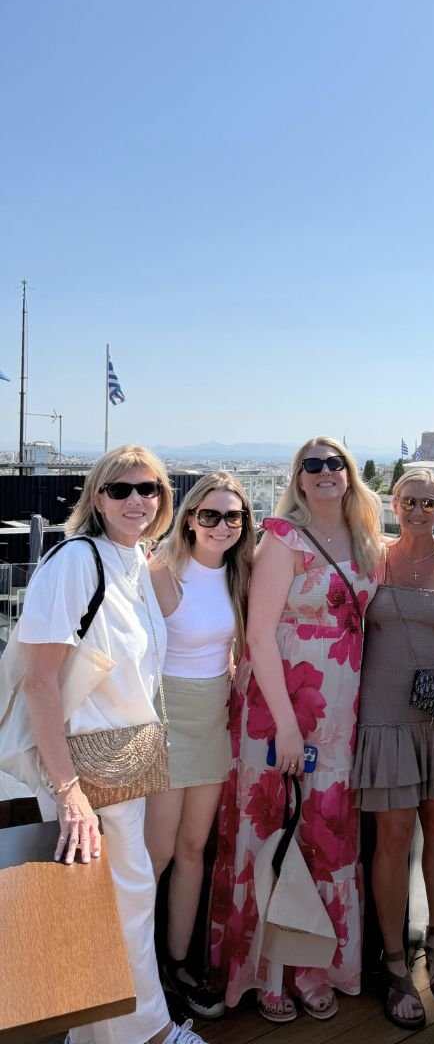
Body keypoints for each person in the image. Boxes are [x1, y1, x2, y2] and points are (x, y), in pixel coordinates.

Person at [0, 445, 207, 1044]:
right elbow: (39, 680)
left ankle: (94, 1035)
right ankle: (151, 1034)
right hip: (83, 766)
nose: (136, 500)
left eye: (149, 489)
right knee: (128, 898)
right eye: (120, 490)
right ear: (96, 497)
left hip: (122, 762)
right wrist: (68, 793)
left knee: (103, 906)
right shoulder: (75, 562)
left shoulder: (134, 562)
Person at [210, 437, 381, 1025]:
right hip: (278, 708)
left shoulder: (365, 541)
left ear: (350, 474)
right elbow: (258, 637)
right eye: (313, 465)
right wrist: (285, 726)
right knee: (270, 835)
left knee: (327, 836)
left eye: (336, 463)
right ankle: (270, 972)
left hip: (340, 712)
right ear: (299, 478)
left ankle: (315, 966)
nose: (326, 472)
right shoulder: (282, 537)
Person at [352, 467, 434, 1029]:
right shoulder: (369, 556)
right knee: (392, 836)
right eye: (409, 500)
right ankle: (392, 962)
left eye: (429, 503)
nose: (418, 511)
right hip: (382, 717)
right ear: (391, 502)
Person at [144, 472, 255, 1020]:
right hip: (163, 718)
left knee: (193, 851)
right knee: (157, 855)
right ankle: (145, 974)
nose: (222, 525)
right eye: (210, 515)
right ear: (189, 518)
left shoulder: (240, 574)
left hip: (213, 719)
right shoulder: (160, 572)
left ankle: (178, 964)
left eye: (233, 516)